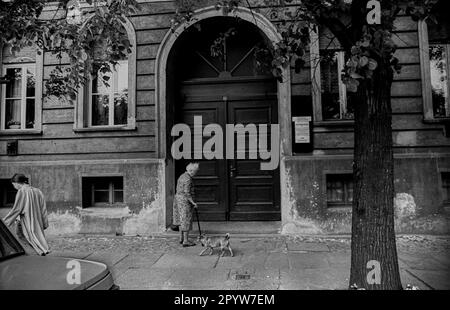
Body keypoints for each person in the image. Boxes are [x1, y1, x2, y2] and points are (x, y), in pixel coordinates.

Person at [2, 174, 50, 256]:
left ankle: (34, 253)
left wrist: (4, 222)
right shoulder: (38, 191)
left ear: (16, 183)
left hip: (27, 220)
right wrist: (44, 223)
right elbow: (43, 209)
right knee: (33, 236)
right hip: (37, 220)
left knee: (22, 236)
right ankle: (39, 251)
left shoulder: (22, 191)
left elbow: (17, 209)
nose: (14, 187)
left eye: (13, 185)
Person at [173, 163, 199, 247]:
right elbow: (187, 193)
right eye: (195, 171)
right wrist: (193, 202)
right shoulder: (188, 179)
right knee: (186, 219)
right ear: (191, 171)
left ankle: (181, 238)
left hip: (178, 199)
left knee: (181, 219)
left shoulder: (182, 176)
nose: (196, 173)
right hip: (184, 201)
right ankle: (186, 240)